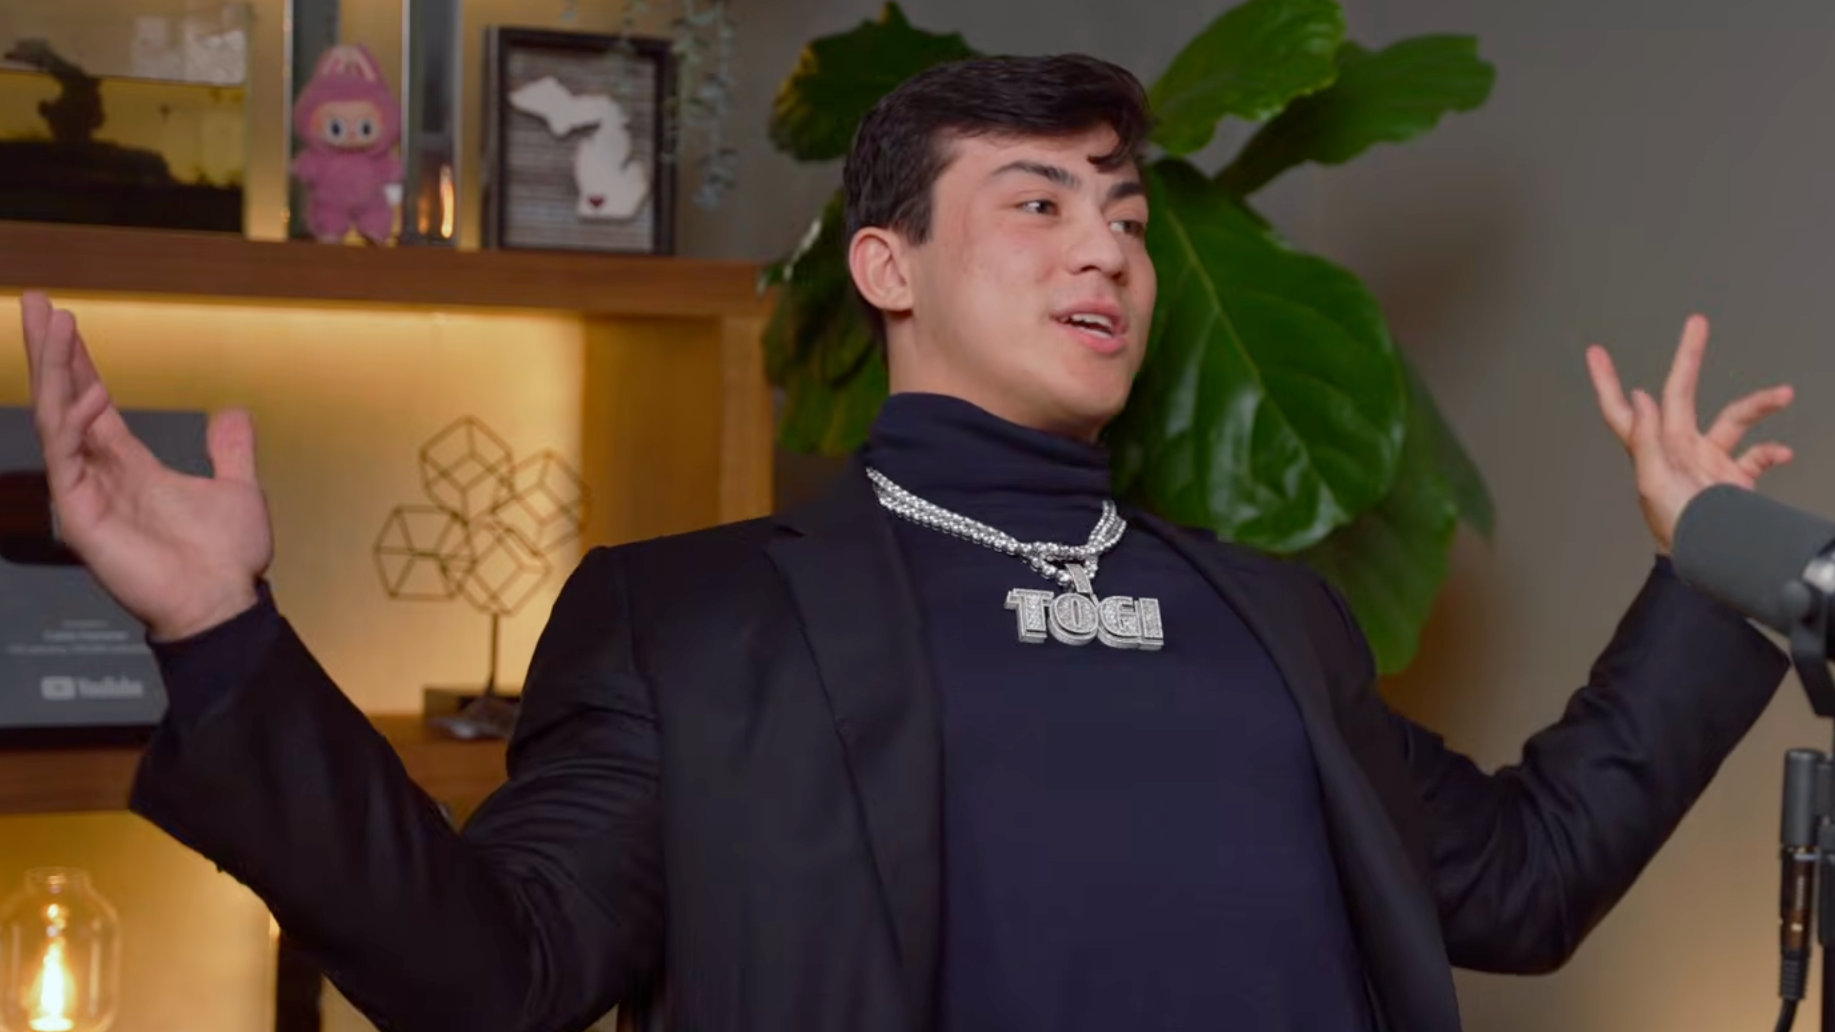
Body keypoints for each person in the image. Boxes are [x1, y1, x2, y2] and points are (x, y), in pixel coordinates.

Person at [14, 53, 1800, 1032]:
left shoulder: (1271, 616)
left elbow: (1524, 879)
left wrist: (1712, 564)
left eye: (1123, 217)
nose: (1104, 250)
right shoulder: (691, 624)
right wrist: (222, 635)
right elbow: (502, 972)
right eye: (1035, 203)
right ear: (887, 268)